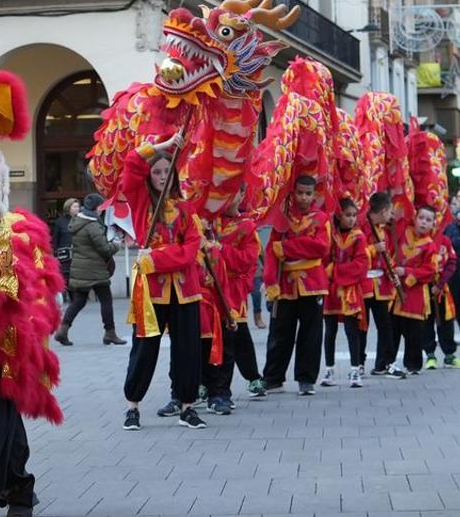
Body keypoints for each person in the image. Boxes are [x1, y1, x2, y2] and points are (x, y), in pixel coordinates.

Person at [121, 133, 208, 431]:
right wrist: (160, 147)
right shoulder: (140, 201)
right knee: (145, 347)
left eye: (166, 171)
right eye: (156, 171)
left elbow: (191, 251)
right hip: (151, 292)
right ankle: (132, 406)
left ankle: (187, 406)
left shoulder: (186, 210)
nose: (161, 176)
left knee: (187, 348)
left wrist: (156, 259)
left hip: (185, 290)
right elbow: (132, 163)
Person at [262, 176, 330, 396]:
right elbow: (271, 252)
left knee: (311, 333)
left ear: (314, 194)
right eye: (300, 192)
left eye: (308, 193)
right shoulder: (282, 220)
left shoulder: (321, 219)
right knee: (280, 331)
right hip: (285, 284)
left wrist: (287, 248)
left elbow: (320, 247)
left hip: (313, 283)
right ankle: (273, 378)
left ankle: (306, 378)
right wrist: (270, 282)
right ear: (292, 193)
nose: (303, 197)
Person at [201, 192, 263, 410]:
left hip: (232, 291)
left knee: (231, 340)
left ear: (243, 194)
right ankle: (206, 383)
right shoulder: (206, 222)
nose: (227, 198)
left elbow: (247, 260)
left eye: (233, 192)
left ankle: (225, 390)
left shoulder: (248, 226)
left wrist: (221, 250)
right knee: (207, 340)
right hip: (207, 289)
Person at [55, 194, 124, 346]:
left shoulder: (77, 221)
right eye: (101, 207)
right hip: (95, 270)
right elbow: (104, 249)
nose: (102, 209)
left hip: (80, 268)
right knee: (106, 300)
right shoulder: (92, 225)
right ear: (97, 208)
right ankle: (110, 333)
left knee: (79, 301)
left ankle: (62, 330)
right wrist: (116, 245)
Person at [322, 198, 369, 388]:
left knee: (352, 330)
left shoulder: (359, 237)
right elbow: (324, 259)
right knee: (330, 330)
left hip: (349, 290)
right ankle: (329, 369)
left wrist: (335, 271)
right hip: (332, 290)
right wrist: (328, 272)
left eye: (353, 215)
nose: (351, 219)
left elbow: (361, 265)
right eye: (347, 215)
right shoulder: (330, 234)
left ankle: (355, 370)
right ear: (338, 216)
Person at [391, 205, 442, 376]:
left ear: (433, 224)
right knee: (393, 329)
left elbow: (430, 270)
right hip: (396, 290)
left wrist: (407, 273)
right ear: (415, 218)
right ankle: (387, 361)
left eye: (428, 220)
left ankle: (413, 364)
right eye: (421, 218)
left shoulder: (430, 246)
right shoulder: (404, 233)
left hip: (415, 293)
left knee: (413, 331)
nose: (423, 222)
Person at [362, 192, 405, 379]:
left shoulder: (381, 228)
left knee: (385, 325)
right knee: (361, 326)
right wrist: (373, 249)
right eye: (390, 212)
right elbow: (352, 251)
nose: (391, 216)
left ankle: (386, 362)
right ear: (385, 210)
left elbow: (386, 256)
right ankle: (358, 363)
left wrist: (392, 271)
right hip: (364, 283)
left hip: (381, 284)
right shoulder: (363, 226)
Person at [425, 221, 460, 370]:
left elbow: (451, 262)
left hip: (442, 288)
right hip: (424, 288)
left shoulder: (445, 241)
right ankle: (430, 355)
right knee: (426, 322)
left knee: (446, 322)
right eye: (423, 218)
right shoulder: (420, 240)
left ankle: (449, 356)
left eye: (431, 219)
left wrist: (440, 283)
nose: (427, 223)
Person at [51, 198, 79, 303]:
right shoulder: (60, 222)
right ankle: (63, 298)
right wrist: (55, 256)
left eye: (78, 207)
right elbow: (55, 241)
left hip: (77, 254)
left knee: (75, 277)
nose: (77, 209)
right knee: (64, 277)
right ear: (68, 208)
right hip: (63, 256)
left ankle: (75, 299)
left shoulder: (80, 220)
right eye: (75, 207)